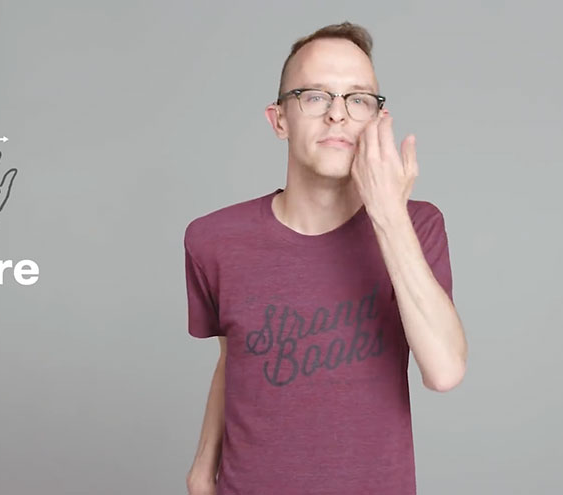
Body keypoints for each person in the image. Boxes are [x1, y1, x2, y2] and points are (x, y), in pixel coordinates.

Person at [183, 22, 468, 495]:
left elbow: (444, 371)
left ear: (377, 120)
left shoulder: (417, 227)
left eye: (358, 99)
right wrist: (200, 471)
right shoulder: (213, 239)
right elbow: (234, 358)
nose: (338, 115)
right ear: (279, 120)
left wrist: (389, 215)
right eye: (315, 96)